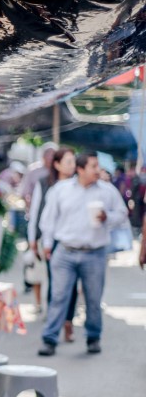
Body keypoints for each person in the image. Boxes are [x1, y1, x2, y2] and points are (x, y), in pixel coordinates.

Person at [38, 152, 129, 355]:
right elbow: (48, 219)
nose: (98, 170)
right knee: (58, 296)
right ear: (80, 169)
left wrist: (108, 217)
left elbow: (122, 214)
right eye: (93, 166)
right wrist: (46, 244)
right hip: (65, 251)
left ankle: (93, 337)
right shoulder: (61, 190)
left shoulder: (107, 191)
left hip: (94, 253)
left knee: (93, 299)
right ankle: (50, 339)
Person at [28, 147, 78, 340]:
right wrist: (33, 238)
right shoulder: (45, 183)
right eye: (67, 161)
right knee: (54, 282)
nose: (71, 166)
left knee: (72, 284)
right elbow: (35, 212)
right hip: (52, 240)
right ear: (56, 165)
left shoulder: (78, 185)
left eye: (73, 161)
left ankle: (68, 322)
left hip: (73, 240)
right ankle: (54, 319)